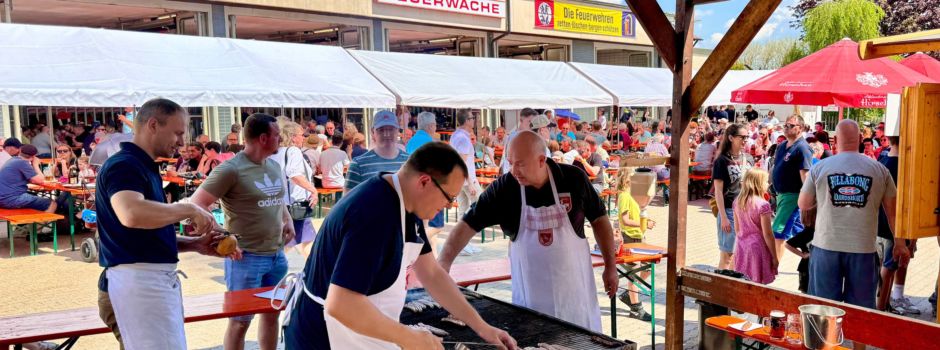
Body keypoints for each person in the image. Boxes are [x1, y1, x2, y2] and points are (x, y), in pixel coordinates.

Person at [282, 142, 517, 350]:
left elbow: (432, 273)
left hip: (360, 332)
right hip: (325, 337)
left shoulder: (407, 202)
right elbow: (341, 304)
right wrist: (410, 338)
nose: (448, 206)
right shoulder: (375, 213)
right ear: (425, 182)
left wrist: (482, 328)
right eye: (449, 197)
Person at [439, 131, 619, 332]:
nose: (514, 170)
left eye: (520, 164)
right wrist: (443, 264)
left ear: (542, 160)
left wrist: (610, 266)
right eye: (510, 163)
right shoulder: (504, 189)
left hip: (576, 302)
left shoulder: (573, 179)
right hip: (530, 306)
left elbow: (600, 220)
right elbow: (467, 225)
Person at [95, 98, 234, 350]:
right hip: (137, 285)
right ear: (153, 125)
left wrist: (194, 245)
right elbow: (131, 214)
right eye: (178, 133)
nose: (181, 142)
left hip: (146, 283)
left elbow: (141, 234)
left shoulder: (142, 165)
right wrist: (188, 208)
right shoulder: (124, 165)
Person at [190, 113, 294, 350]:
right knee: (239, 323)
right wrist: (222, 236)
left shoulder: (274, 165)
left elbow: (277, 198)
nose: (282, 140)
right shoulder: (231, 169)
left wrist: (286, 218)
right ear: (264, 138)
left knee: (272, 315)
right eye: (278, 135)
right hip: (245, 258)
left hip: (276, 256)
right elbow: (196, 203)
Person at [798, 119, 909, 310]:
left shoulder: (820, 167)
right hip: (863, 248)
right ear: (859, 138)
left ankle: (827, 340)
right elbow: (894, 213)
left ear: (835, 140)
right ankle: (859, 341)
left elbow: (804, 204)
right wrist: (899, 243)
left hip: (826, 245)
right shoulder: (879, 169)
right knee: (861, 310)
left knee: (824, 308)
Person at [873, 136, 919, 315]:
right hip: (897, 224)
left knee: (884, 264)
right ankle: (881, 308)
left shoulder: (882, 160)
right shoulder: (906, 166)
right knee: (889, 266)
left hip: (879, 221)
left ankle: (887, 302)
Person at [268, 119, 319, 257]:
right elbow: (294, 175)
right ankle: (312, 273)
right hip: (295, 205)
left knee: (300, 242)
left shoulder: (275, 153)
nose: (303, 138)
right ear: (292, 137)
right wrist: (313, 190)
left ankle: (311, 271)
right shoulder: (293, 151)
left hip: (281, 204)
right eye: (301, 134)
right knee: (299, 243)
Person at [614, 167, 655, 320]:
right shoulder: (624, 195)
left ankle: (630, 294)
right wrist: (643, 224)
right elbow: (625, 221)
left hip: (639, 237)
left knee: (648, 268)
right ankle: (636, 308)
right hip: (629, 238)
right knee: (634, 274)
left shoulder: (635, 195)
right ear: (628, 179)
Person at [771, 115, 813, 260]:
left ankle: (774, 267)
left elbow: (806, 177)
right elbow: (777, 166)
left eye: (790, 125)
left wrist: (807, 201)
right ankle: (810, 249)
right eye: (785, 125)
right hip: (781, 194)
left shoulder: (802, 148)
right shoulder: (783, 145)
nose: (786, 128)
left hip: (792, 196)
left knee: (778, 234)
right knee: (797, 228)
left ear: (799, 128)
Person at [712, 123, 751, 270]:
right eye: (742, 137)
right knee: (727, 255)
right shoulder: (721, 161)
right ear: (731, 138)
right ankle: (720, 287)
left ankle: (733, 284)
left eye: (747, 137)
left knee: (740, 254)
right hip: (729, 211)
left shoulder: (747, 158)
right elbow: (718, 191)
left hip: (746, 212)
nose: (745, 140)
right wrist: (723, 218)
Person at [345, 111, 410, 192]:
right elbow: (347, 202)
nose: (386, 134)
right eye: (381, 130)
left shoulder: (411, 162)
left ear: (397, 131)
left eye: (391, 129)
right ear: (372, 132)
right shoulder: (358, 165)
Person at [733, 168, 778, 284]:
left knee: (742, 281)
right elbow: (767, 234)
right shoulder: (763, 205)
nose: (768, 184)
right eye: (766, 181)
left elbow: (737, 229)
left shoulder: (737, 201)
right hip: (758, 249)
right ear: (758, 183)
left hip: (741, 247)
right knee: (758, 283)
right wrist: (774, 256)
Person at [406, 112, 445, 236]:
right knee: (436, 227)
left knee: (422, 225)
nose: (435, 128)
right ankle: (418, 241)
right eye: (434, 125)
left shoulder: (410, 142)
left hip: (412, 187)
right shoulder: (432, 144)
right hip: (431, 188)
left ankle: (432, 255)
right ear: (430, 126)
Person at [0, 144, 63, 213]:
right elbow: (40, 181)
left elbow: (32, 180)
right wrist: (35, 165)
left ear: (20, 151)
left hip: (3, 198)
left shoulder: (13, 160)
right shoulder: (22, 163)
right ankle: (45, 222)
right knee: (52, 203)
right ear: (33, 156)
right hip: (11, 199)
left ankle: (34, 221)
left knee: (36, 199)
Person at [449, 110, 482, 219]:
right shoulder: (463, 139)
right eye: (472, 118)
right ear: (467, 121)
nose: (474, 120)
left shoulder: (455, 135)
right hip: (467, 180)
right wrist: (470, 182)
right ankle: (469, 232)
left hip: (459, 180)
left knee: (463, 211)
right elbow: (461, 163)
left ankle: (463, 234)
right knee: (481, 206)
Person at [499, 108, 538, 174]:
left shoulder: (527, 135)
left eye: (533, 122)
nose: (532, 125)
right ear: (521, 120)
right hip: (514, 174)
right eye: (529, 121)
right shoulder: (514, 136)